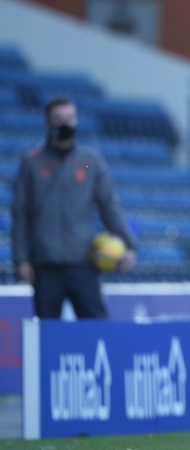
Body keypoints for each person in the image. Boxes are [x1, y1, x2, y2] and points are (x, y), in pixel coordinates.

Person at [12, 96, 137, 319]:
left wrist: (129, 244)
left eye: (70, 118)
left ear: (76, 121)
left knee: (97, 330)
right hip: (45, 266)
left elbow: (109, 207)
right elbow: (20, 215)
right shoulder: (32, 164)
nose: (65, 124)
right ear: (47, 124)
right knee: (48, 336)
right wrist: (21, 259)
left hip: (84, 264)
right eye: (58, 118)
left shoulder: (89, 162)